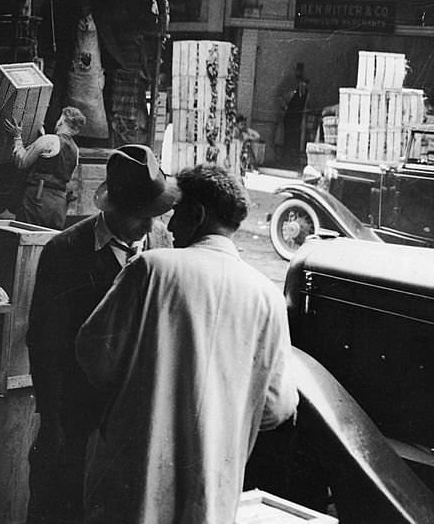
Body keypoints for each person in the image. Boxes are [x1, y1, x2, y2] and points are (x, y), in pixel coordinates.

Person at [75, 163, 298, 524]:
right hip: (213, 491)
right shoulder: (266, 296)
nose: (170, 225)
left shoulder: (151, 269)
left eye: (177, 213)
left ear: (196, 214)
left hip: (135, 479)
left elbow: (94, 358)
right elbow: (277, 407)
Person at [25, 143, 177, 524]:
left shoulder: (162, 244)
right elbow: (45, 342)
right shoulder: (65, 252)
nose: (148, 225)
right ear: (112, 209)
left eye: (154, 215)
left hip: (136, 416)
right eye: (140, 216)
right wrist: (53, 419)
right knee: (60, 504)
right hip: (76, 415)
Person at [6, 106, 85, 229]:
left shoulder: (49, 140)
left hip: (37, 197)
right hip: (59, 203)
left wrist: (17, 137)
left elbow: (22, 162)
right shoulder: (76, 151)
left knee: (26, 236)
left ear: (61, 122)